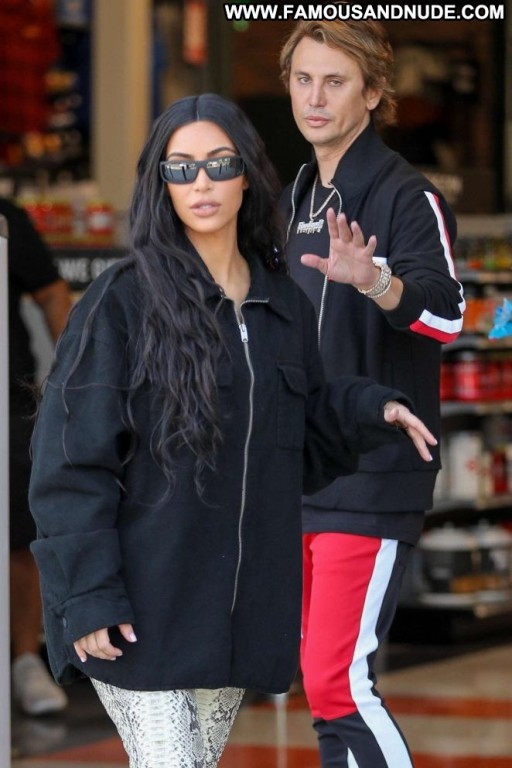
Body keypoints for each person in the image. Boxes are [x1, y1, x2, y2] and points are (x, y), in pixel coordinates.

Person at [28, 93, 437, 768]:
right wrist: (89, 593)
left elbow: (301, 439)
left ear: (247, 174)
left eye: (219, 164)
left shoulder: (282, 305)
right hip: (138, 609)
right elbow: (70, 462)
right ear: (160, 182)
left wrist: (372, 409)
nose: (202, 182)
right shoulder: (123, 300)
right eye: (181, 167)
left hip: (233, 617)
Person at [278, 19, 465, 768]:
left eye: (335, 82)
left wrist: (376, 280)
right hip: (300, 472)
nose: (315, 98)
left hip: (373, 473)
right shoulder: (295, 196)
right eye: (303, 79)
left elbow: (447, 314)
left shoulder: (406, 195)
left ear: (374, 92)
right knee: (323, 690)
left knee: (340, 682)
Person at [2, 196, 72, 716]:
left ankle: (26, 659)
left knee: (20, 533)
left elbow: (51, 293)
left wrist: (74, 378)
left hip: (7, 395)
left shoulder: (5, 217)